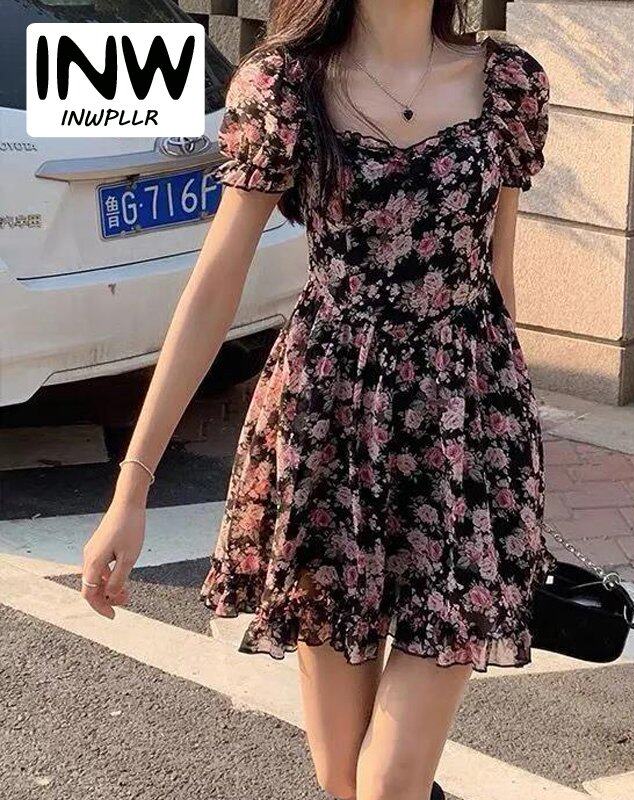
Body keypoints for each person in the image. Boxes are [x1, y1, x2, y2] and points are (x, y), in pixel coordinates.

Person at [80, 1, 556, 798]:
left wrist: (511, 451)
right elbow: (213, 290)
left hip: (463, 433)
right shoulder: (284, 88)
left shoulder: (509, 83)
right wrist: (132, 488)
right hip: (328, 430)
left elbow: (497, 277)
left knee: (387, 784)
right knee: (343, 782)